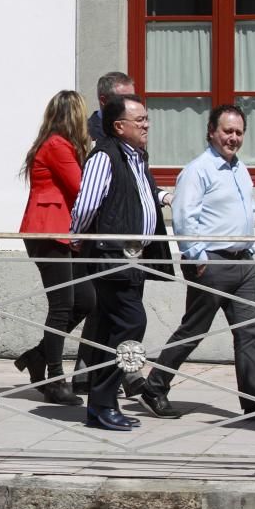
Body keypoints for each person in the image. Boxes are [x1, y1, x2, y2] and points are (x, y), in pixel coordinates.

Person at [138, 105, 255, 421]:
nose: (233, 138)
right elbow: (184, 215)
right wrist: (196, 256)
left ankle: (254, 404)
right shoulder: (198, 170)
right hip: (212, 262)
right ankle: (155, 386)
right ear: (212, 132)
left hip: (243, 263)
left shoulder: (240, 169)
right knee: (194, 329)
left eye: (239, 132)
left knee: (249, 331)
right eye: (227, 131)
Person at [69, 93, 173, 430]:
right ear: (119, 126)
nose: (146, 125)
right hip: (112, 258)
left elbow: (140, 194)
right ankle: (101, 399)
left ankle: (100, 406)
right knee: (131, 324)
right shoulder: (105, 156)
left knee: (113, 328)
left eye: (146, 119)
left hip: (134, 259)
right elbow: (86, 206)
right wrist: (77, 239)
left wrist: (163, 198)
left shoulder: (137, 157)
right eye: (139, 120)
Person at [16, 90, 95, 406]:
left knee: (86, 300)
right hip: (48, 232)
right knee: (62, 305)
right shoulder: (57, 146)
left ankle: (37, 356)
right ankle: (54, 377)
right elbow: (81, 188)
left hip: (64, 234)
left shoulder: (60, 145)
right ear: (74, 116)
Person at [87, 72, 135, 143]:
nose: (131, 104)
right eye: (123, 99)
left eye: (133, 98)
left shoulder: (135, 127)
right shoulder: (86, 132)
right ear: (103, 100)